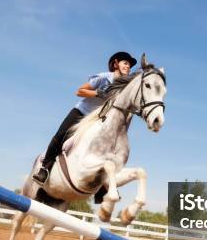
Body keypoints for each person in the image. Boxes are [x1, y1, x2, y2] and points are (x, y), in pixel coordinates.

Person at [32, 51, 137, 184]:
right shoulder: (103, 77)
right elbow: (79, 91)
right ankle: (44, 169)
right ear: (116, 64)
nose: (128, 67)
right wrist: (97, 93)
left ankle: (102, 185)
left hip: (97, 120)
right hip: (81, 113)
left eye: (129, 65)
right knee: (60, 135)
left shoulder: (123, 87)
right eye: (125, 63)